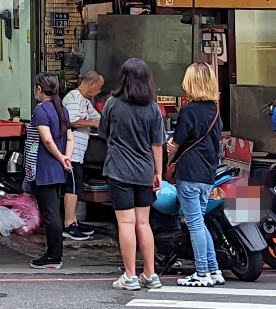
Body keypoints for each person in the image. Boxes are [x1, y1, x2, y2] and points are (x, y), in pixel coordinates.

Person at [100, 57, 166, 292]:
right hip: (145, 172)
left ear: (124, 78)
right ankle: (151, 274)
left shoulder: (112, 104)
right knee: (144, 223)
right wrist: (158, 171)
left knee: (126, 223)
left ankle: (129, 275)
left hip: (119, 171)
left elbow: (104, 134)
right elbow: (157, 144)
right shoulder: (153, 108)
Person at [169, 62, 223, 287]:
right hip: (207, 174)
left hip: (189, 172)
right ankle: (213, 269)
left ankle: (202, 272)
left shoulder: (189, 110)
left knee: (194, 224)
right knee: (200, 222)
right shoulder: (216, 109)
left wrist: (170, 151)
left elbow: (177, 142)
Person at [25, 72, 74, 270]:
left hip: (44, 167)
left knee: (51, 213)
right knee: (54, 211)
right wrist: (66, 157)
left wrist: (60, 157)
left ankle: (54, 256)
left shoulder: (41, 110)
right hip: (58, 168)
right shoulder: (61, 109)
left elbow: (46, 139)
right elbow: (69, 139)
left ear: (39, 89)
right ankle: (53, 253)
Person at [62, 70, 104, 241]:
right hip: (70, 153)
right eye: (99, 87)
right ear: (91, 84)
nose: (100, 91)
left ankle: (74, 220)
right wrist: (93, 123)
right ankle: (68, 224)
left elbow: (99, 118)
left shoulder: (85, 102)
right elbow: (73, 121)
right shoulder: (74, 98)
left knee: (77, 186)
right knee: (71, 187)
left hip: (78, 153)